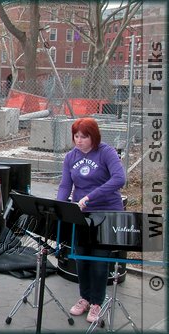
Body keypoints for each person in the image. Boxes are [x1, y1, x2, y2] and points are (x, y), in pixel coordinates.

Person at [56, 117, 126, 323]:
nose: (79, 140)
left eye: (84, 137)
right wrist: (59, 206)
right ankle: (84, 298)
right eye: (76, 136)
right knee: (82, 259)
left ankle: (97, 302)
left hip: (105, 213)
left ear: (93, 137)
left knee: (98, 261)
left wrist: (90, 197)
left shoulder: (106, 152)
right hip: (81, 215)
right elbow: (65, 185)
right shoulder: (71, 157)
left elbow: (119, 179)